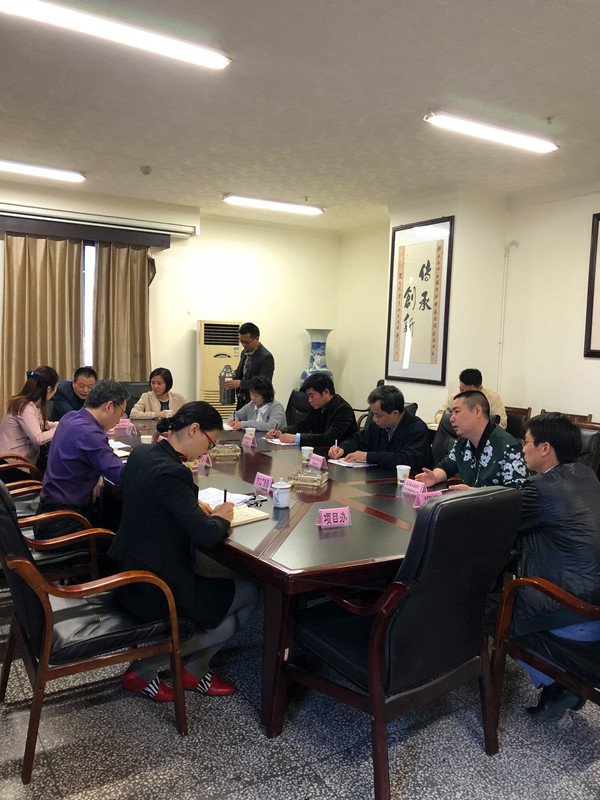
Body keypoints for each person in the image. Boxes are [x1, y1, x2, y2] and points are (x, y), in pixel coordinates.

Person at [109, 401, 260, 702]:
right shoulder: (173, 472)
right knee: (252, 593)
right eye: (210, 443)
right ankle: (148, 669)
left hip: (128, 569)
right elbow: (206, 536)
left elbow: (151, 498)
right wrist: (222, 517)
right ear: (194, 430)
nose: (207, 452)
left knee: (226, 614)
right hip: (157, 586)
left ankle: (192, 668)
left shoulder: (142, 453)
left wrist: (188, 505)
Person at [497, 413, 600, 720]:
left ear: (545, 448)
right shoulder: (587, 475)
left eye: (526, 442)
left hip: (572, 610)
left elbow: (494, 527)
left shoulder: (541, 488)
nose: (522, 449)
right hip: (594, 602)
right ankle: (562, 682)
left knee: (487, 606)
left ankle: (558, 682)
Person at [36, 379, 127, 536]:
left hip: (46, 513)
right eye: (122, 412)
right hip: (64, 523)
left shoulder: (70, 417)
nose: (120, 420)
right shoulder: (90, 433)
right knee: (117, 539)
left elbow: (86, 457)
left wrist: (98, 474)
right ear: (109, 406)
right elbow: (121, 476)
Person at [416, 390, 526, 489]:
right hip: (470, 502)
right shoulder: (464, 441)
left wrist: (473, 494)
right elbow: (447, 465)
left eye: (457, 412)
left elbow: (517, 493)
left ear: (477, 411)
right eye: (451, 413)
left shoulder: (509, 448)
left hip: (492, 505)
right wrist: (434, 477)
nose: (451, 419)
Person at [328, 384, 432, 470]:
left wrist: (368, 456)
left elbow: (406, 460)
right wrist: (343, 448)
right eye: (373, 414)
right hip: (380, 477)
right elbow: (357, 440)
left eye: (378, 415)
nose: (374, 419)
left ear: (395, 413)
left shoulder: (416, 428)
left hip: (408, 481)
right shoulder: (378, 425)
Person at [0, 366, 59, 482]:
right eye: (56, 387)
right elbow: (38, 438)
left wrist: (62, 423)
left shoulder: (26, 404)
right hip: (12, 468)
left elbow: (41, 425)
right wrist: (61, 428)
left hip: (14, 464)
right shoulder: (25, 407)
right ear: (48, 389)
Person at [266, 372, 356, 448]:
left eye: (312, 396)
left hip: (341, 456)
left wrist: (296, 438)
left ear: (326, 392)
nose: (309, 400)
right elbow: (303, 425)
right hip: (319, 452)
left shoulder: (343, 410)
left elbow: (329, 438)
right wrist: (280, 432)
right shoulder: (317, 406)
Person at [434, 368, 507, 429]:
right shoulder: (454, 397)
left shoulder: (493, 398)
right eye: (461, 389)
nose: (464, 394)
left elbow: (502, 424)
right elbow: (439, 415)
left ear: (480, 388)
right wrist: (453, 423)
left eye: (469, 392)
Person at [225, 322, 274, 410]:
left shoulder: (266, 357)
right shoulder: (244, 352)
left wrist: (240, 383)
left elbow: (264, 383)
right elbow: (241, 372)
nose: (243, 345)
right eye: (241, 341)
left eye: (246, 342)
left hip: (256, 404)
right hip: (241, 400)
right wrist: (229, 375)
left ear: (257, 338)